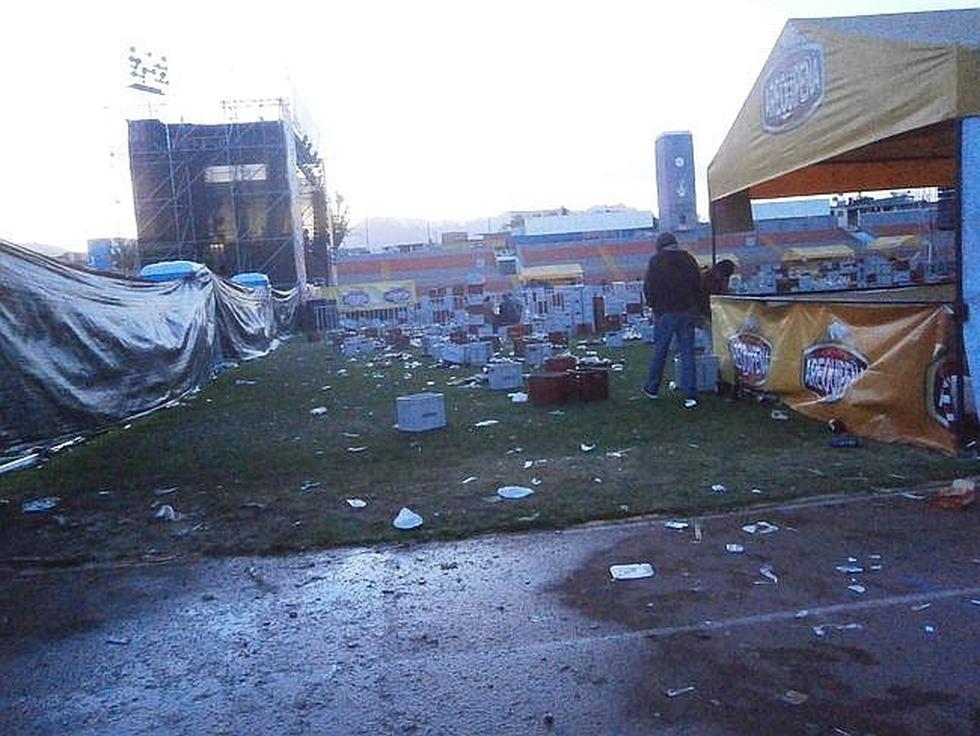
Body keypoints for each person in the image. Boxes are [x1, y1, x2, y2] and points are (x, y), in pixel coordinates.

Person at [642, 231, 702, 408]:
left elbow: (649, 286)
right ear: (675, 244)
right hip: (687, 310)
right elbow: (698, 285)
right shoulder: (689, 259)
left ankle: (652, 388)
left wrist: (653, 306)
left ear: (660, 246)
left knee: (660, 351)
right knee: (687, 353)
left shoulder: (656, 261)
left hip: (665, 312)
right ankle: (690, 395)